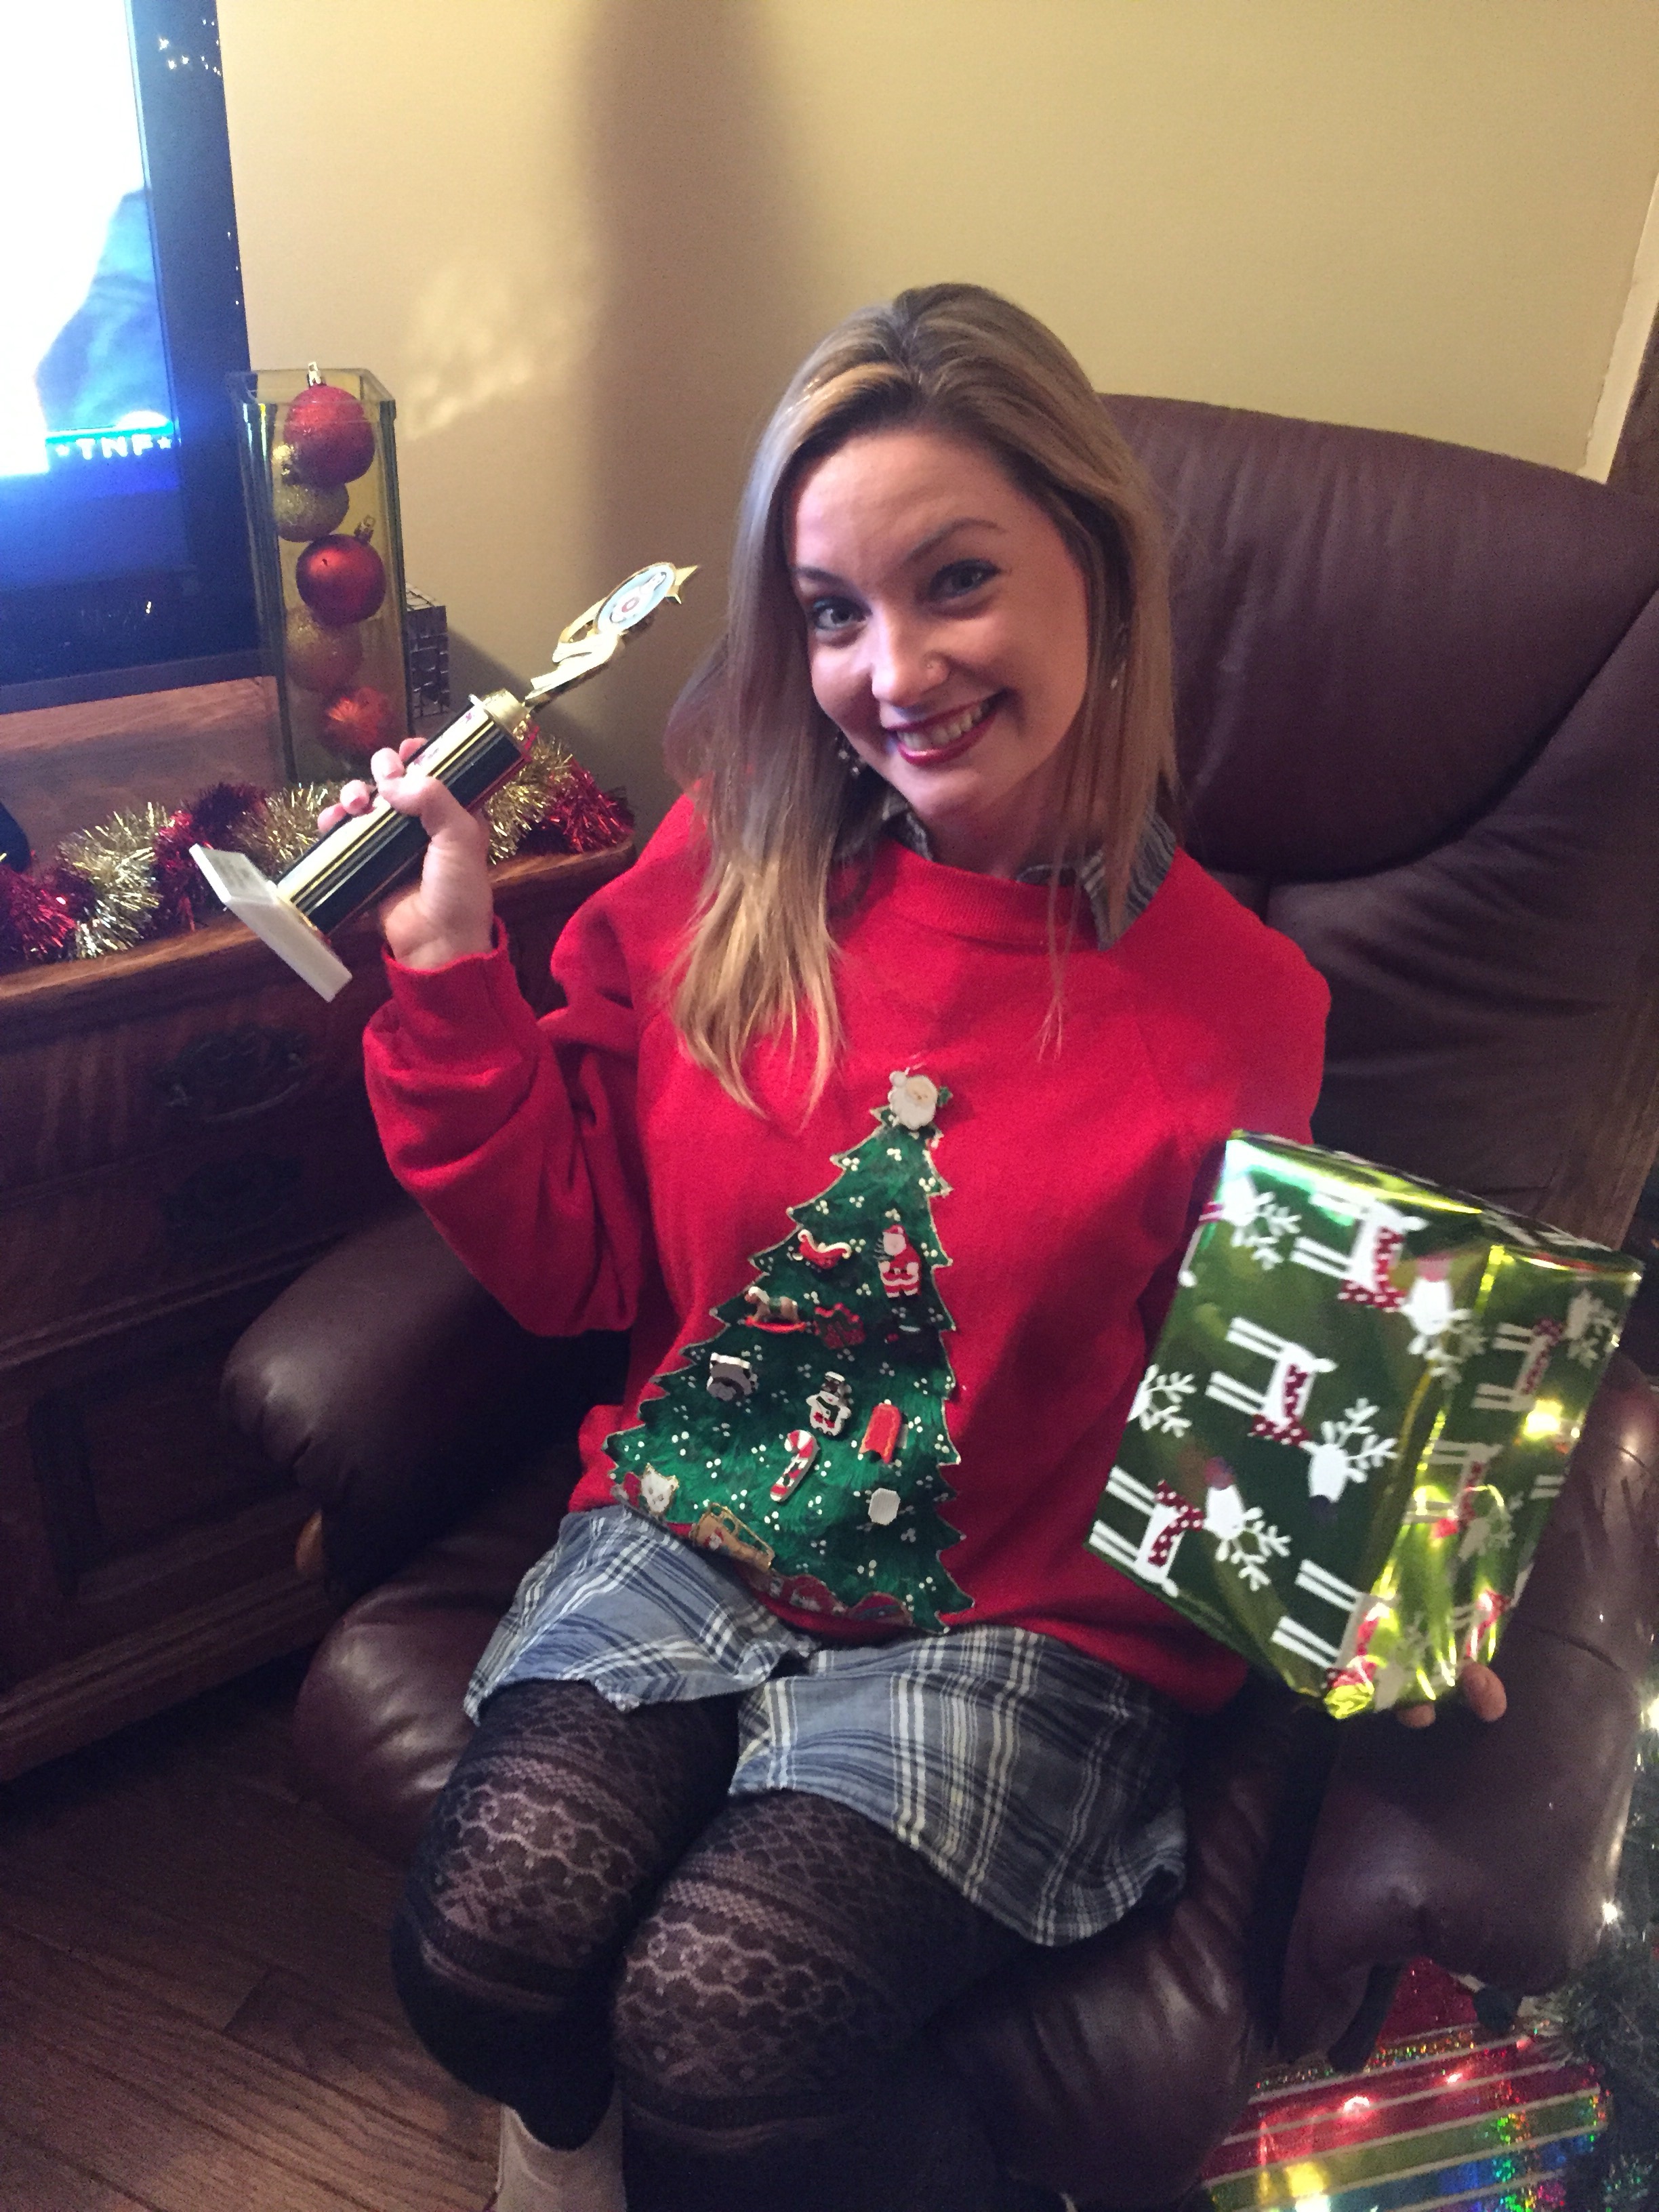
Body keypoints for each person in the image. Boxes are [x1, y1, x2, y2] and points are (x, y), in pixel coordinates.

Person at [322, 284, 1501, 2212]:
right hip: (691, 1522)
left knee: (724, 2020)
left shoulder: (1240, 1004)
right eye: (830, 611)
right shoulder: (730, 867)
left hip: (1019, 1615)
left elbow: (1276, 1372)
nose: (893, 670)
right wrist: (450, 977)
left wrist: (1411, 1579)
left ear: (1095, 570)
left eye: (957, 582)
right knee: (481, 1949)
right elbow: (569, 1264)